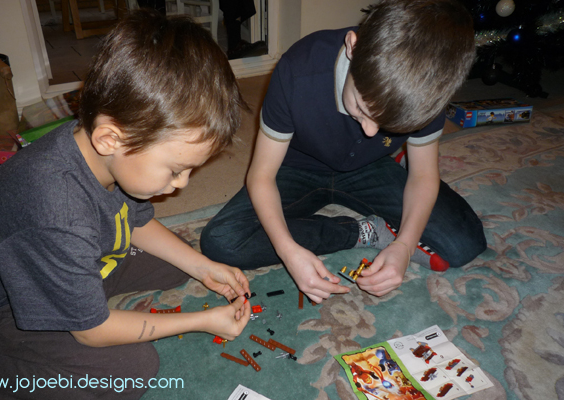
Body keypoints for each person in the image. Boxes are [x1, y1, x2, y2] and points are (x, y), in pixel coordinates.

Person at [0, 10, 251, 400]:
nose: (183, 184)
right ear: (110, 139)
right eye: (175, 170)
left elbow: (134, 222)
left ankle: (80, 286)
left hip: (59, 252)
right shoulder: (55, 211)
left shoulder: (101, 149)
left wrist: (204, 267)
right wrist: (203, 320)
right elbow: (92, 332)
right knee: (131, 368)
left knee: (176, 261)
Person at [200, 0, 487, 303]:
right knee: (222, 241)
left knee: (464, 244)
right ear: (353, 46)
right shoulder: (298, 70)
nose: (370, 131)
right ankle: (364, 231)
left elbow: (424, 175)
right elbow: (261, 176)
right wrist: (288, 250)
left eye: (391, 126)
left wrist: (404, 246)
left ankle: (401, 172)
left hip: (371, 167)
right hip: (295, 167)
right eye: (362, 109)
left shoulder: (428, 91)